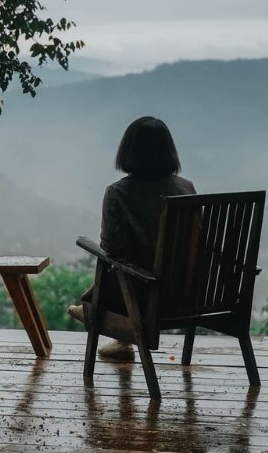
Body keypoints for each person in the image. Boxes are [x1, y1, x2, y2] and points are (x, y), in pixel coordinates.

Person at [67, 116, 196, 360]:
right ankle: (121, 341)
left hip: (146, 296)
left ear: (128, 151)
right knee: (131, 271)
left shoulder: (118, 193)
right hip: (186, 293)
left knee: (119, 271)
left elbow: (112, 249)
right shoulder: (186, 188)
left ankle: (95, 313)